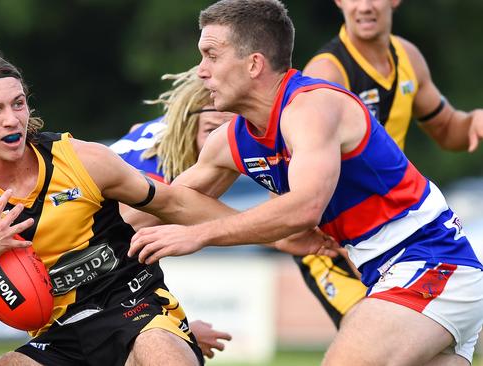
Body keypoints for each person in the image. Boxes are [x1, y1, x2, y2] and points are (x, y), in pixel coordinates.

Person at [127, 1, 483, 365]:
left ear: (253, 64)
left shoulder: (310, 107)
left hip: (432, 262)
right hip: (389, 272)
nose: (201, 71)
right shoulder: (233, 139)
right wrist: (89, 203)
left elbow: (305, 206)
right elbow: (172, 201)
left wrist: (202, 234)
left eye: (211, 55)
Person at [0, 48, 239, 366]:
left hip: (137, 308)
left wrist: (267, 227)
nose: (12, 119)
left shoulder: (82, 159)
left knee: (160, 351)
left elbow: (175, 202)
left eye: (18, 104)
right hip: (58, 337)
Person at [293, 0, 483, 329]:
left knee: (422, 341)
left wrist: (472, 122)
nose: (364, 7)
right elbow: (303, 180)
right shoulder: (327, 73)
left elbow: (447, 129)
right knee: (378, 341)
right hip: (335, 244)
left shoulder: (408, 57)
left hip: (395, 230)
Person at [110, 66, 236, 358]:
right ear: (187, 124)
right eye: (211, 130)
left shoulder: (170, 133)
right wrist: (183, 329)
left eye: (227, 131)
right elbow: (115, 263)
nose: (220, 141)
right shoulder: (153, 182)